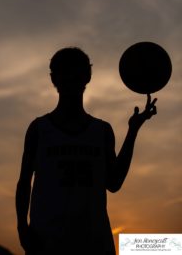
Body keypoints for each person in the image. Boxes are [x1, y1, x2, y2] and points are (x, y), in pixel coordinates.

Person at [16, 47, 157, 255]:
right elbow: (24, 182)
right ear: (55, 78)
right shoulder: (39, 129)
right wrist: (22, 228)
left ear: (87, 77)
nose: (72, 78)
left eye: (77, 73)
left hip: (94, 243)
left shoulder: (101, 131)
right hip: (47, 242)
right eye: (66, 73)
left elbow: (114, 182)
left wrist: (133, 130)